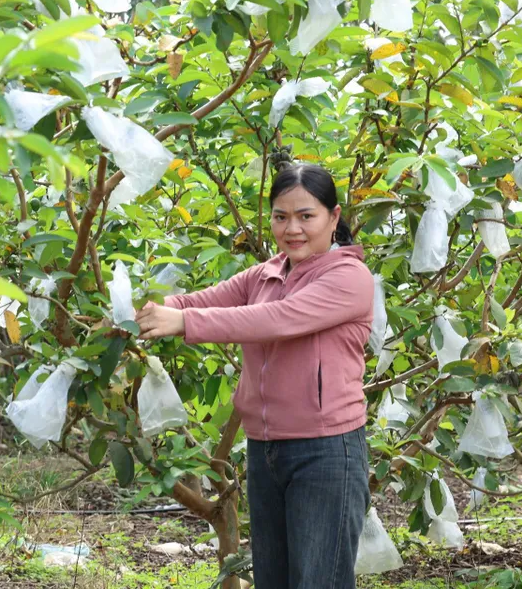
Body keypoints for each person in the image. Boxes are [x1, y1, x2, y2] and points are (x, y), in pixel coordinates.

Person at [136, 163, 373, 588]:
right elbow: (199, 300)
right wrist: (141, 309)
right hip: (266, 450)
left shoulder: (349, 278)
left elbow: (276, 319)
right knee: (272, 580)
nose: (292, 229)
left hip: (325, 451)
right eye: (281, 217)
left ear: (333, 217)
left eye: (306, 216)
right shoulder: (267, 273)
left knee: (318, 581)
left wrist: (184, 323)